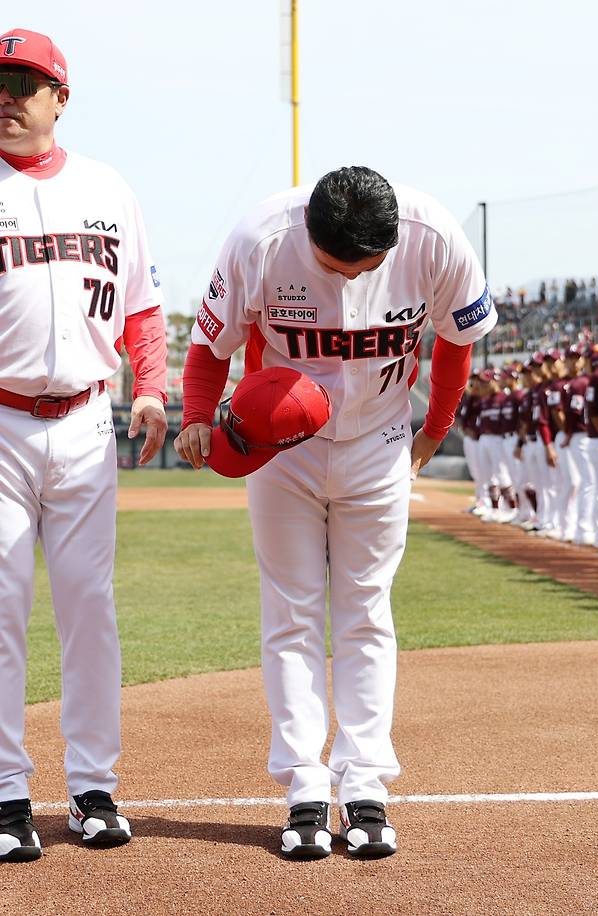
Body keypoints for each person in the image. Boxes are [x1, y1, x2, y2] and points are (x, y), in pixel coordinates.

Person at [175, 166, 496, 859]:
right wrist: (199, 415)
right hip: (282, 451)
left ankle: (367, 784)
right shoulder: (262, 237)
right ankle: (303, 787)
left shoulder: (434, 237)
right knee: (290, 610)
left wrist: (433, 432)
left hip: (380, 441)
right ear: (308, 233)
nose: (349, 278)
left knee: (366, 610)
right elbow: (209, 345)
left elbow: (457, 342)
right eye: (332, 264)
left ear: (392, 241)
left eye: (366, 265)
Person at [0, 29, 168, 862]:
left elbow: (141, 305)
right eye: (0, 81)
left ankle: (94, 788)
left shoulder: (106, 188)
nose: (8, 96)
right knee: (1, 609)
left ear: (60, 97)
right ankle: (4, 795)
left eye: (26, 83)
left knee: (89, 610)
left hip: (84, 426)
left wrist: (152, 385)